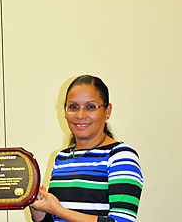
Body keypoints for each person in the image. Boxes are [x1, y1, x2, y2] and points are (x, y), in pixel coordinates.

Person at [30, 75, 143, 222]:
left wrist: (59, 210)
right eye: (73, 107)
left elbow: (122, 221)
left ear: (107, 111)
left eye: (90, 107)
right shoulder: (62, 157)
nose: (80, 115)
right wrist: (33, 202)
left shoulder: (121, 156)